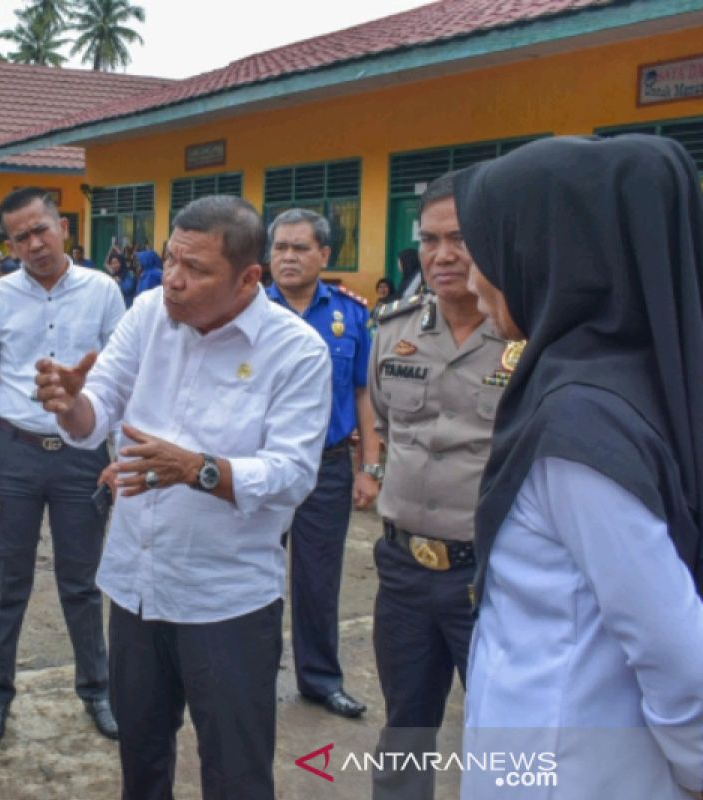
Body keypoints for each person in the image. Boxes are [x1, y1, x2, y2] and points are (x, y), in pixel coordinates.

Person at [35, 195, 332, 799]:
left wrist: (197, 469)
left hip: (227, 600)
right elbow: (98, 414)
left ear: (250, 277)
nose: (173, 278)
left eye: (195, 270)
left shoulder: (296, 351)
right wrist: (70, 406)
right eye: (171, 258)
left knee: (236, 771)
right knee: (141, 764)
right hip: (137, 588)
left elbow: (293, 473)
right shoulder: (147, 312)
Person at [455, 135, 703, 798]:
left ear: (546, 252)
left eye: (487, 251)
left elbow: (679, 657)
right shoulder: (651, 377)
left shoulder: (578, 423)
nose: (472, 278)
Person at [368, 173, 507, 800]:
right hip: (401, 568)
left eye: (460, 239)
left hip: (490, 577)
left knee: (504, 735)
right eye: (429, 240)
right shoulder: (391, 329)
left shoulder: (525, 337)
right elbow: (387, 421)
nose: (443, 255)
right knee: (404, 731)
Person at [0, 187, 125, 743]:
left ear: (63, 226)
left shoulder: (104, 291)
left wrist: (121, 458)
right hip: (12, 454)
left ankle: (97, 689)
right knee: (7, 584)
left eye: (41, 230)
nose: (33, 244)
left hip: (82, 456)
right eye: (20, 238)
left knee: (81, 583)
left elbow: (121, 379)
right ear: (9, 245)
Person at [265, 208, 378, 719]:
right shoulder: (249, 308)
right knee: (256, 573)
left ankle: (320, 679)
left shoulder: (350, 315)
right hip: (260, 467)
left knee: (318, 578)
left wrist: (368, 464)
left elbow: (362, 392)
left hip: (327, 467)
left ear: (324, 255)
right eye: (279, 248)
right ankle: (254, 675)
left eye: (299, 248)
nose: (287, 257)